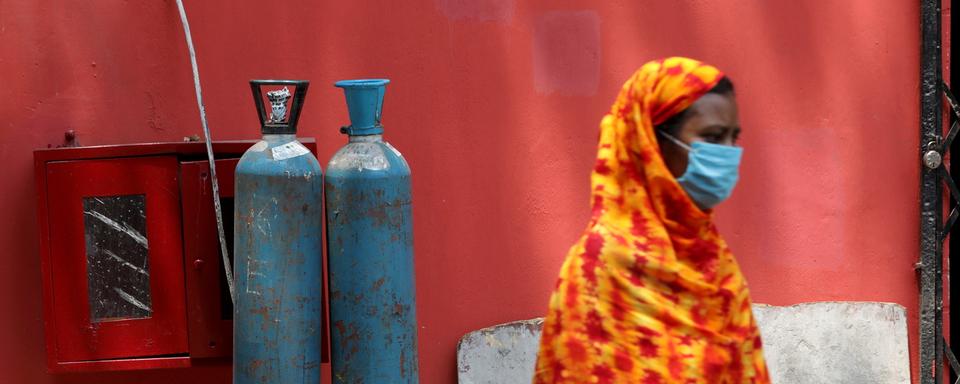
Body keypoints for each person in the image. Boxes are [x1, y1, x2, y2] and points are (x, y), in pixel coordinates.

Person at [533, 57, 770, 383]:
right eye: (714, 138)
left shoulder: (714, 261)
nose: (729, 153)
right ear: (651, 143)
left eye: (734, 137)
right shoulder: (600, 267)